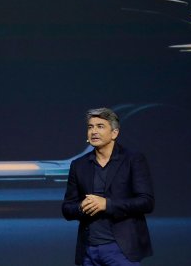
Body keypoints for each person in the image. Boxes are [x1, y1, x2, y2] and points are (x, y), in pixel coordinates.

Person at [62, 108, 154, 265]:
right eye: (90, 127)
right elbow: (67, 208)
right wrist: (81, 207)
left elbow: (146, 202)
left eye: (100, 126)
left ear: (114, 133)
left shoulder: (132, 160)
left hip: (121, 249)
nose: (94, 131)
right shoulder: (79, 165)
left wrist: (107, 204)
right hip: (89, 251)